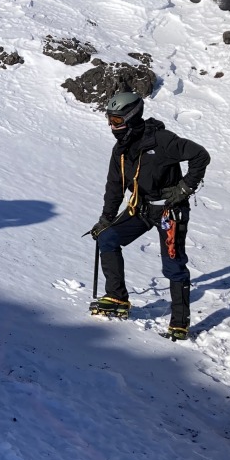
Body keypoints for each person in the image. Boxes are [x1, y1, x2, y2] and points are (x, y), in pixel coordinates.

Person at [87, 90, 211, 340]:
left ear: (132, 117)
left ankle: (179, 322)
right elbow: (115, 186)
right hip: (141, 207)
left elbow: (200, 156)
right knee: (107, 238)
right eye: (110, 120)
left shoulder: (162, 140)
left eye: (117, 121)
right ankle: (117, 298)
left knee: (173, 264)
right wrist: (106, 219)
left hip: (170, 210)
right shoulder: (120, 150)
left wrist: (185, 187)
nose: (113, 126)